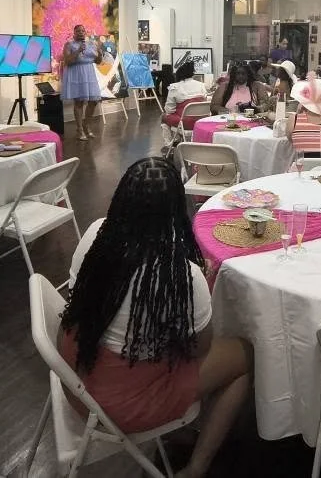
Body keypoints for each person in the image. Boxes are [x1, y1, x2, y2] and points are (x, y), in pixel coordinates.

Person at [60, 158, 253, 478]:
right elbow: (199, 351)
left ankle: (184, 433)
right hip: (120, 403)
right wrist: (200, 288)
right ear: (177, 211)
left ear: (122, 196)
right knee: (246, 354)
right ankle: (196, 467)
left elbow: (75, 295)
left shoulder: (96, 232)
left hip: (75, 373)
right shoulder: (182, 275)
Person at [61, 25, 101, 141]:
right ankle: (80, 129)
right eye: (78, 31)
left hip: (89, 73)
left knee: (94, 101)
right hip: (76, 74)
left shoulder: (91, 44)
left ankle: (86, 124)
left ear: (85, 32)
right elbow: (67, 61)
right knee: (79, 102)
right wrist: (78, 50)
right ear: (74, 32)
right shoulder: (69, 44)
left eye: (83, 31)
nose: (81, 32)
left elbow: (98, 61)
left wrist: (99, 52)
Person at [163, 61, 207, 127]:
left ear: (178, 75)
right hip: (201, 122)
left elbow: (169, 110)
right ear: (192, 74)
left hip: (183, 123)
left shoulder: (175, 87)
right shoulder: (201, 85)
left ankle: (171, 137)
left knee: (163, 117)